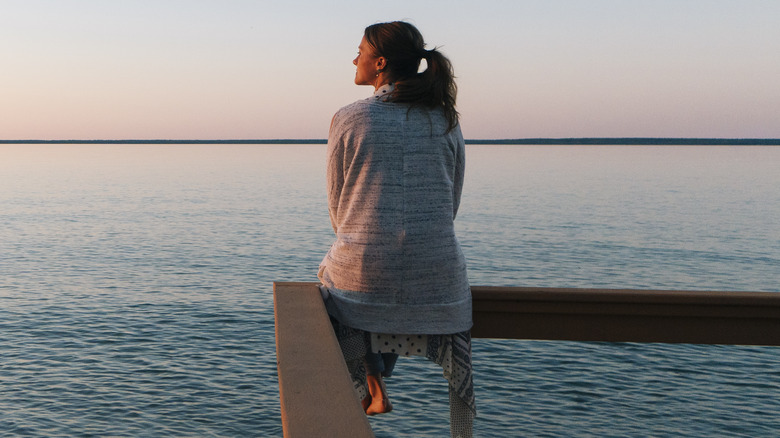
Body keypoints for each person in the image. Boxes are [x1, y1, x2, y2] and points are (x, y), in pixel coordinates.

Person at [318, 21, 474, 436]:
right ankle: (379, 375)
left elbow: (338, 208)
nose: (354, 59)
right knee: (384, 282)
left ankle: (373, 379)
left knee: (337, 280)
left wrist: (362, 234)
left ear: (380, 64)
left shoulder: (350, 117)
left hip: (366, 272)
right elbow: (451, 201)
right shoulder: (445, 119)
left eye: (360, 52)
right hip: (441, 277)